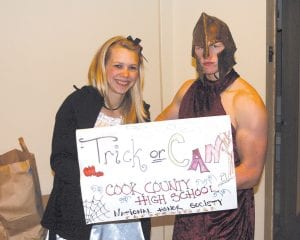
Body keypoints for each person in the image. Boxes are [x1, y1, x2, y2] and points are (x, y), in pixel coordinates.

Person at [155, 12, 268, 240]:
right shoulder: (187, 91)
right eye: (199, 47)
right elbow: (153, 135)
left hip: (227, 219)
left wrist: (196, 185)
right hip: (189, 215)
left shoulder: (246, 101)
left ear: (228, 48)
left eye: (215, 46)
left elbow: (251, 172)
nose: (206, 54)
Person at [41, 35, 151, 240]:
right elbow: (60, 160)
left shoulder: (141, 114)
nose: (125, 74)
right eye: (118, 65)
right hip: (77, 220)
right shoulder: (76, 104)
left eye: (132, 67)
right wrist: (98, 182)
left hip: (125, 226)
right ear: (103, 66)